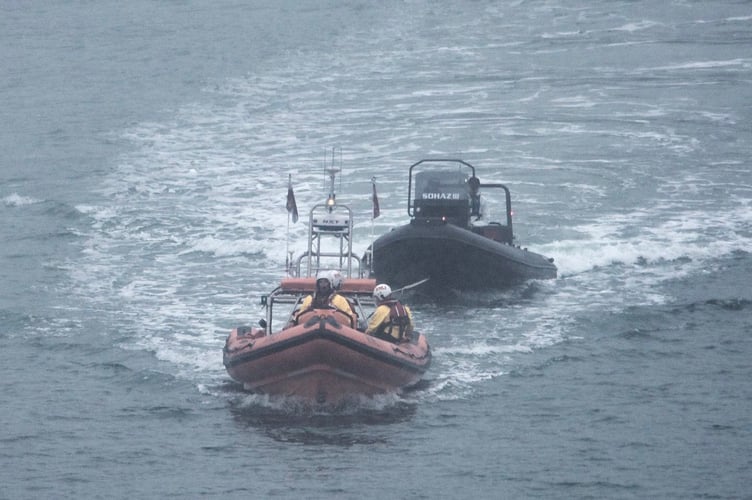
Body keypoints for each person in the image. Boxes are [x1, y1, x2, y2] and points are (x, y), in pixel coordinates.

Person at [290, 270, 356, 326]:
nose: (323, 285)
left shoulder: (339, 299)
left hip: (336, 329)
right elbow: (300, 317)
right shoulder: (309, 299)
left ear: (330, 283)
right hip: (311, 328)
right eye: (320, 282)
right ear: (317, 284)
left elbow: (349, 318)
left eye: (325, 282)